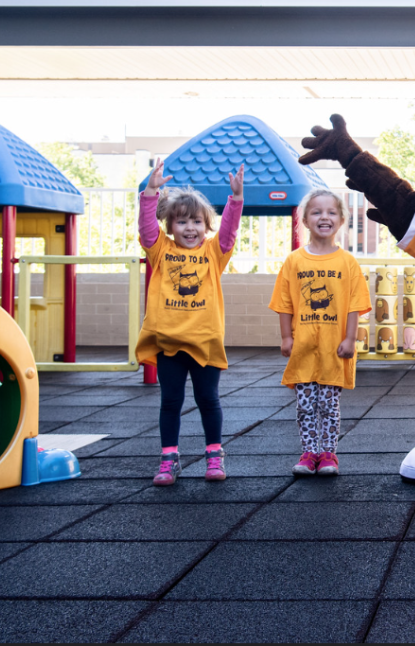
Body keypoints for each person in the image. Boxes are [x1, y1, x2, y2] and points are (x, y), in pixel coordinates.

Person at [138, 159, 244, 486]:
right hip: (169, 342)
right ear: (170, 226)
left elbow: (228, 233)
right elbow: (145, 228)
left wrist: (236, 200)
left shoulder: (214, 253)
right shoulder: (160, 250)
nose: (189, 228)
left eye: (196, 221)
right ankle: (169, 458)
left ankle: (214, 454)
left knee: (207, 399)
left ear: (205, 225)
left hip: (204, 341)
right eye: (182, 221)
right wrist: (151, 192)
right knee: (170, 401)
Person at [269, 188, 371, 476]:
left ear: (340, 220)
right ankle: (308, 453)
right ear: (305, 219)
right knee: (304, 406)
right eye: (316, 212)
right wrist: (286, 337)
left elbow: (354, 305)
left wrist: (350, 338)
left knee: (328, 405)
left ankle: (328, 454)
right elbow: (285, 302)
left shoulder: (347, 262)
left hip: (332, 348)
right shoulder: (294, 261)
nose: (324, 217)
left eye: (331, 212)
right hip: (303, 348)